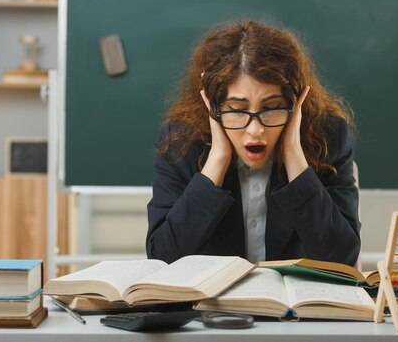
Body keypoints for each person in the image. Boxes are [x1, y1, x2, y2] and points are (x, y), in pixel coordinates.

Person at [146, 20, 360, 266]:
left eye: (271, 108)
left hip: (292, 304)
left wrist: (294, 157)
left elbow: (343, 259)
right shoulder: (180, 142)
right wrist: (217, 160)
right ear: (212, 107)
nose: (255, 129)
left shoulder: (330, 137)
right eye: (237, 109)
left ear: (296, 103)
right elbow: (161, 259)